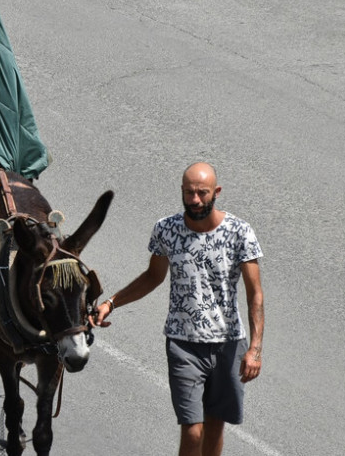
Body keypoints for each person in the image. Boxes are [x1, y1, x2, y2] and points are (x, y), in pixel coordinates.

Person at [91, 162, 264, 456]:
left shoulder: (239, 232)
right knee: (193, 430)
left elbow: (255, 295)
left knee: (215, 425)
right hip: (183, 345)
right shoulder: (166, 230)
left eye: (202, 193)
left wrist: (255, 349)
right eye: (189, 193)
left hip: (229, 344)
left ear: (216, 192)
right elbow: (153, 277)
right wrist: (111, 303)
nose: (195, 200)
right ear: (182, 192)